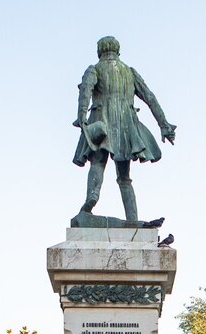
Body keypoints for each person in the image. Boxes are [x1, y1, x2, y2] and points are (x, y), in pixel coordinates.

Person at [71, 35, 176, 226]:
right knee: (125, 177)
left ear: (99, 51)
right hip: (126, 127)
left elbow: (85, 91)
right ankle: (132, 218)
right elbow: (150, 97)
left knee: (97, 164)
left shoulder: (94, 69)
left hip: (102, 121)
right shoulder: (130, 72)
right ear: (117, 51)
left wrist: (81, 116)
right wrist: (164, 124)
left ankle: (92, 198)